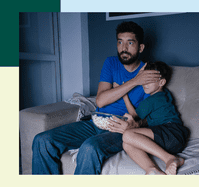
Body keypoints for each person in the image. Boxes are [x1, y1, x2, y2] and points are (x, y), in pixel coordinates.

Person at [31, 21, 161, 174]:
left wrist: (135, 125)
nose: (123, 48)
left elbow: (151, 115)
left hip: (119, 130)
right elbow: (101, 100)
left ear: (141, 47)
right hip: (95, 123)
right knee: (42, 141)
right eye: (120, 42)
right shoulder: (111, 63)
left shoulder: (148, 73)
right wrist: (134, 82)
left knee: (89, 148)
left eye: (130, 43)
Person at [108, 61, 189, 175]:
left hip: (170, 133)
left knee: (127, 134)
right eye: (144, 80)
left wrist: (124, 95)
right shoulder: (165, 94)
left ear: (161, 82)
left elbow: (134, 115)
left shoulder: (152, 100)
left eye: (150, 80)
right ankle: (152, 170)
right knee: (127, 143)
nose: (145, 84)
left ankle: (170, 159)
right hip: (175, 138)